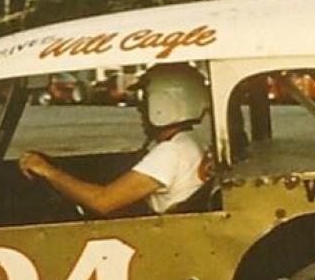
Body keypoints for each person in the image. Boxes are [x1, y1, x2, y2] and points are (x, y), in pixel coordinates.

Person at [17, 63, 210, 216]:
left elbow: (103, 202)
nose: (140, 109)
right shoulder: (190, 142)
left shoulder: (170, 152)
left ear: (163, 104)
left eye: (145, 100)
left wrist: (46, 170)